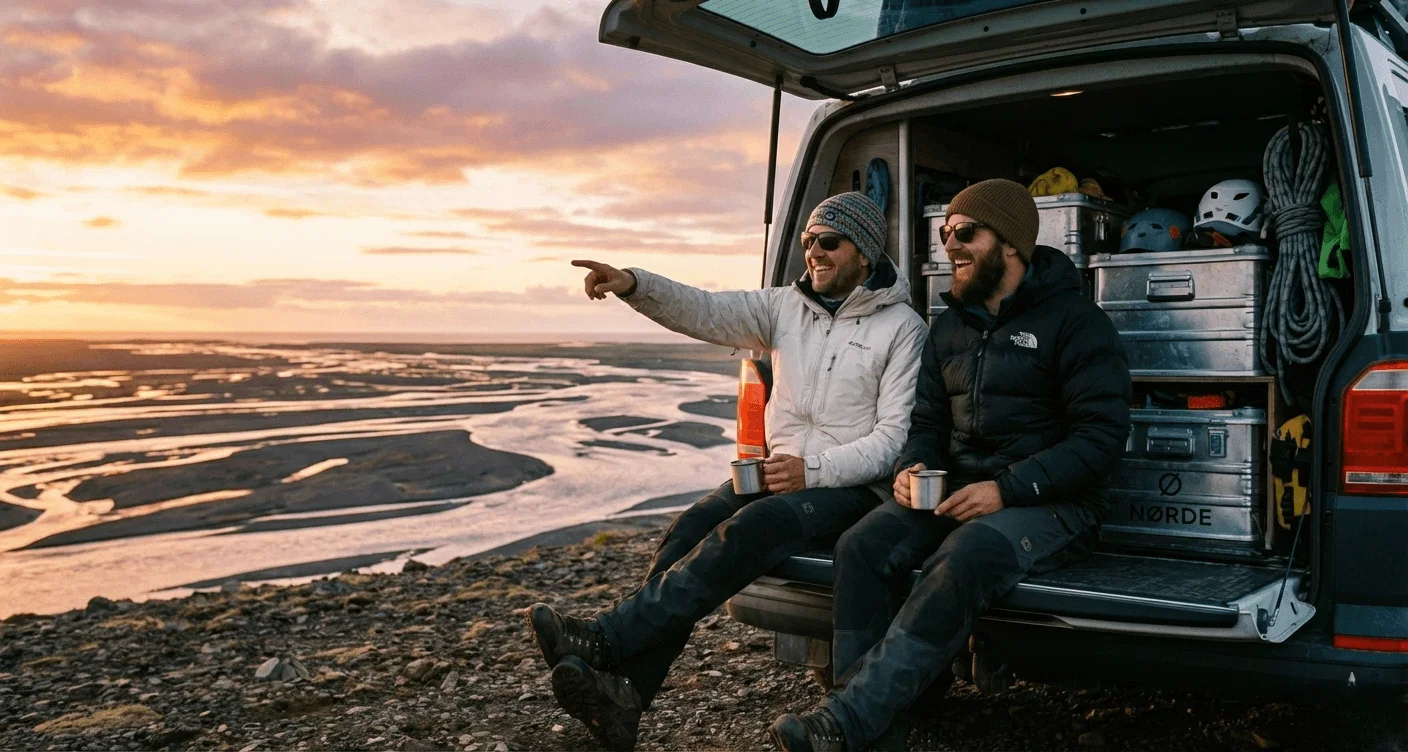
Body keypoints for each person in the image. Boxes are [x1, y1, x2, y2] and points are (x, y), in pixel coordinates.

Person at [523, 192, 926, 751]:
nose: (814, 251)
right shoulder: (787, 307)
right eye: (809, 241)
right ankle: (628, 696)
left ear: (864, 252)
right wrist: (636, 285)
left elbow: (892, 441)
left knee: (751, 528)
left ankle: (608, 639)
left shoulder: (903, 327)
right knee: (692, 525)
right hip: (782, 473)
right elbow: (708, 311)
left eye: (828, 242)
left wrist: (812, 470)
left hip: (853, 486)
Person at [769, 179, 1132, 752]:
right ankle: (872, 720)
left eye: (966, 233)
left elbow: (1100, 440)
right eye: (945, 235)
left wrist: (1006, 489)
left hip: (1053, 504)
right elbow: (927, 424)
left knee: (961, 556)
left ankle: (846, 721)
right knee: (861, 546)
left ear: (1011, 243)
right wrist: (914, 467)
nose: (950, 246)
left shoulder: (1077, 323)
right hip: (959, 489)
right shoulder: (950, 326)